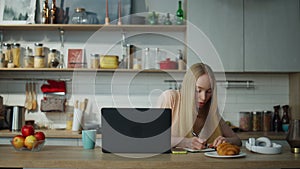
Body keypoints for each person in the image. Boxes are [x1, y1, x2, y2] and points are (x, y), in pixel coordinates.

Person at [157, 63, 242, 150]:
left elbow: (237, 140)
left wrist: (226, 141)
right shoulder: (171, 98)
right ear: (188, 87)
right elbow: (155, 139)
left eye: (209, 91)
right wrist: (185, 142)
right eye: (198, 90)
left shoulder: (210, 111)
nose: (204, 98)